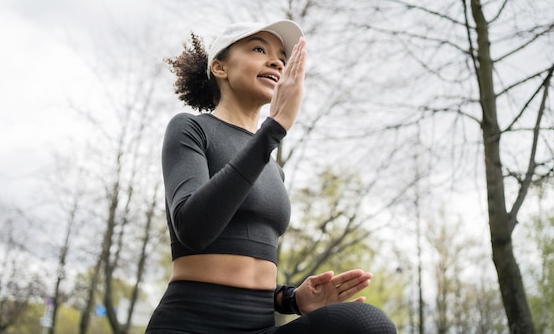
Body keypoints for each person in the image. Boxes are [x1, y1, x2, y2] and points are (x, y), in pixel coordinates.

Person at [145, 20, 397, 334]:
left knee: (367, 325)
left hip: (259, 325)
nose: (276, 61)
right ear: (220, 67)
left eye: (281, 56)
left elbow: (247, 257)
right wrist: (273, 129)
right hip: (191, 322)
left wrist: (291, 299)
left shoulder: (273, 166)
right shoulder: (192, 129)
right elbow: (192, 229)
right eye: (259, 49)